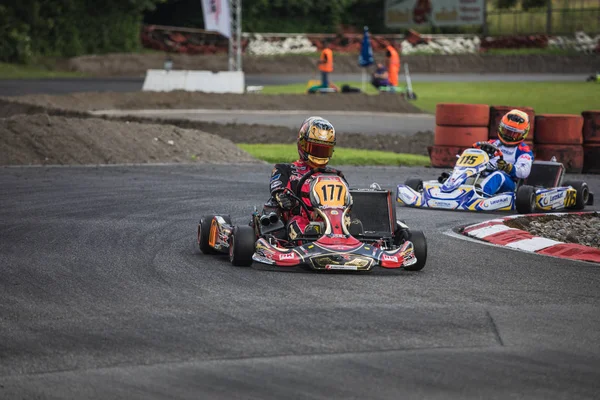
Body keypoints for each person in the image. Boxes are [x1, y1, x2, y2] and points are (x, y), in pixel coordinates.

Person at [266, 116, 343, 239]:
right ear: (302, 144)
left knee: (352, 222)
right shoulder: (285, 169)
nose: (319, 155)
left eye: (323, 151)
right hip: (300, 217)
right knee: (298, 225)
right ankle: (307, 244)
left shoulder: (334, 175)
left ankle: (353, 240)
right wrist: (282, 197)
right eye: (315, 149)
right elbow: (277, 188)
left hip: (332, 220)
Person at [472, 110, 534, 196]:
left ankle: (479, 195)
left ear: (522, 134)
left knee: (498, 175)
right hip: (483, 175)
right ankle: (449, 188)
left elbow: (524, 172)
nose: (508, 135)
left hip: (507, 183)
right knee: (467, 170)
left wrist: (508, 167)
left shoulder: (523, 151)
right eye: (507, 131)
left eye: (514, 134)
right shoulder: (492, 143)